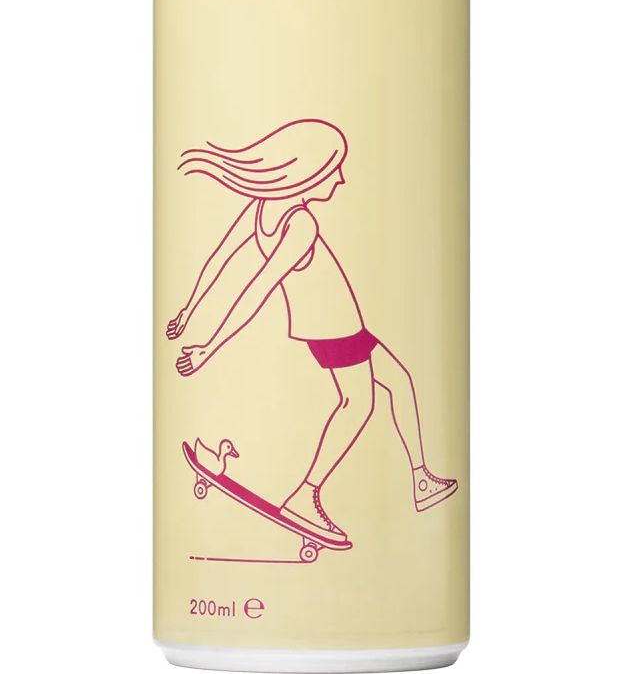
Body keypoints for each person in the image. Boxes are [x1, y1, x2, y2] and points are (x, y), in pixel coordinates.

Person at [167, 119, 457, 541]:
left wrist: (189, 311)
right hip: (333, 328)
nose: (340, 178)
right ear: (310, 172)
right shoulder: (300, 225)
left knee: (398, 379)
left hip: (343, 326)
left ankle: (421, 480)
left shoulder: (264, 207)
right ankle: (306, 496)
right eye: (333, 169)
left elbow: (221, 259)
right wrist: (207, 346)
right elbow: (257, 287)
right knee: (358, 404)